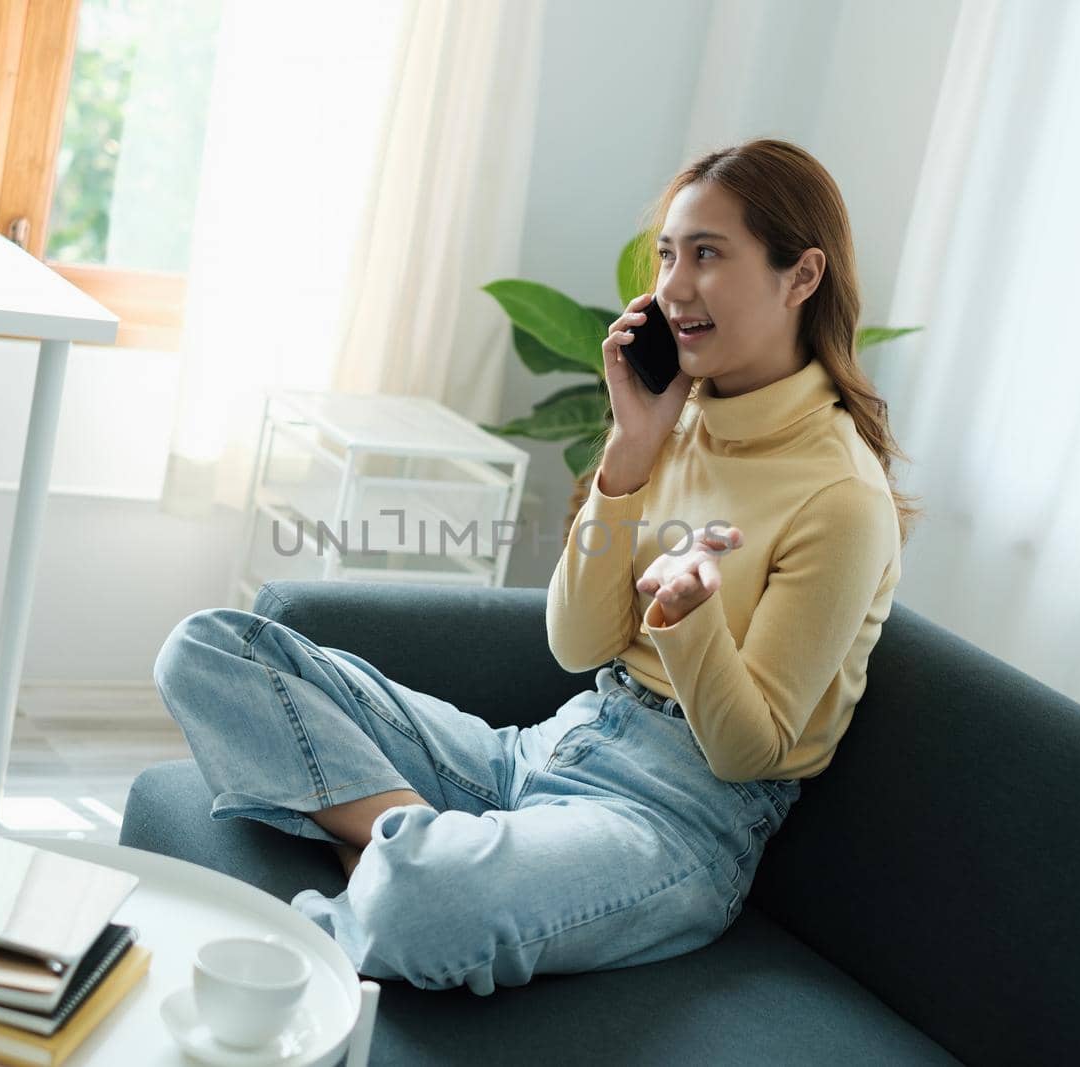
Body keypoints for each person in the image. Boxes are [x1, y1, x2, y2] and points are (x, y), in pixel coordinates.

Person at [151, 138, 919, 996]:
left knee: (421, 900)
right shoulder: (676, 417)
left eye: (708, 254)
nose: (673, 287)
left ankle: (405, 864)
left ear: (801, 275)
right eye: (668, 254)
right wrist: (629, 453)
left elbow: (750, 752)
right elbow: (576, 641)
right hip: (551, 746)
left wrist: (687, 618)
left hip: (676, 816)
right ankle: (417, 839)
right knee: (208, 647)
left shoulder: (842, 497)